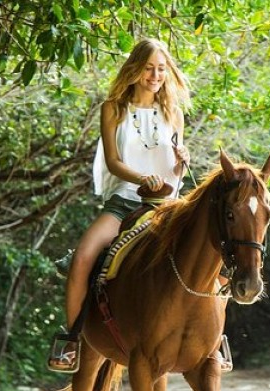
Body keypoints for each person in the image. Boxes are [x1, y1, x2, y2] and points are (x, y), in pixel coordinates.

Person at [49, 38, 192, 371]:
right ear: (135, 68)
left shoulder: (174, 112)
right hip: (124, 202)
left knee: (210, 257)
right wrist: (142, 178)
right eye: (149, 68)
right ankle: (73, 343)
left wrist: (182, 161)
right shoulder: (113, 107)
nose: (155, 75)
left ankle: (213, 343)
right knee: (83, 257)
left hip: (166, 206)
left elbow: (174, 171)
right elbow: (113, 161)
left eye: (161, 69)